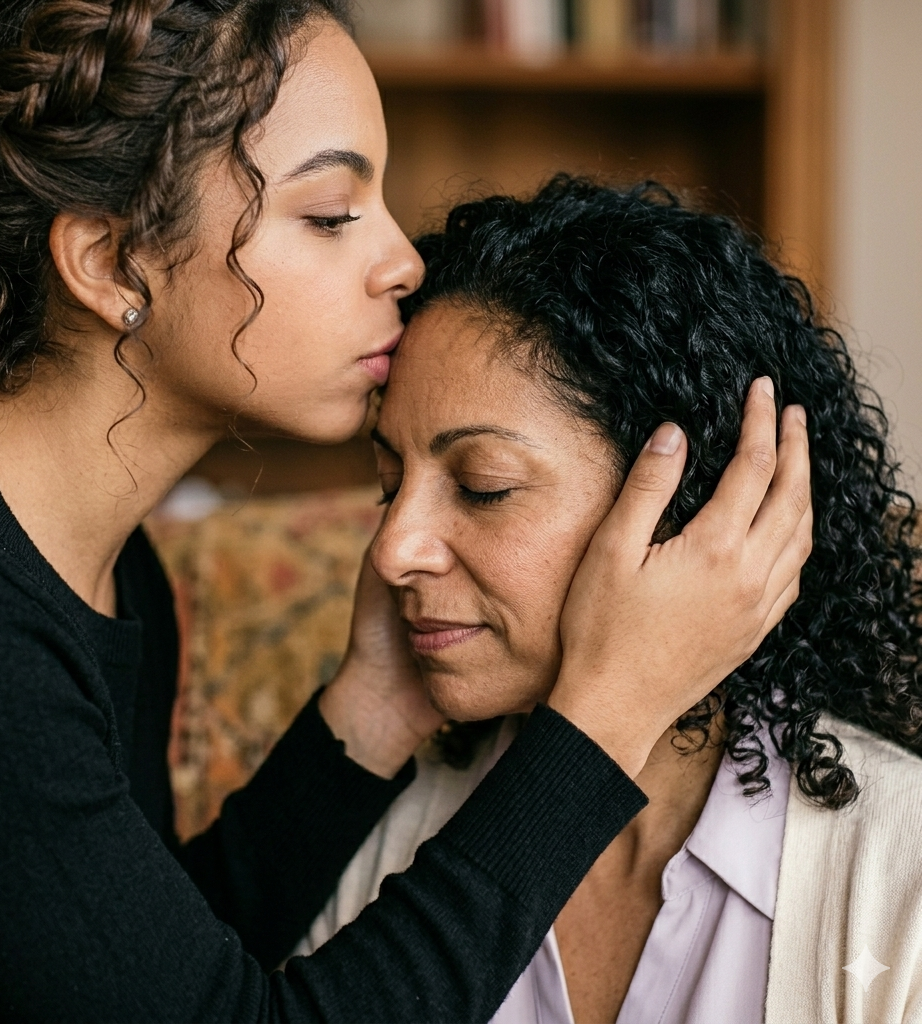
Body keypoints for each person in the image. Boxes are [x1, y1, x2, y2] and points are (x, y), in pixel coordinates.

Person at [0, 3, 811, 1021]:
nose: (403, 261)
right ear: (111, 264)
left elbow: (140, 973)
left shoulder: (113, 567)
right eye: (330, 213)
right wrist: (603, 714)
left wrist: (375, 707)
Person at [295, 177, 922, 1024]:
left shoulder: (898, 875)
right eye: (388, 482)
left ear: (696, 511)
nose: (393, 550)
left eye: (483, 486)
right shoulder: (388, 833)